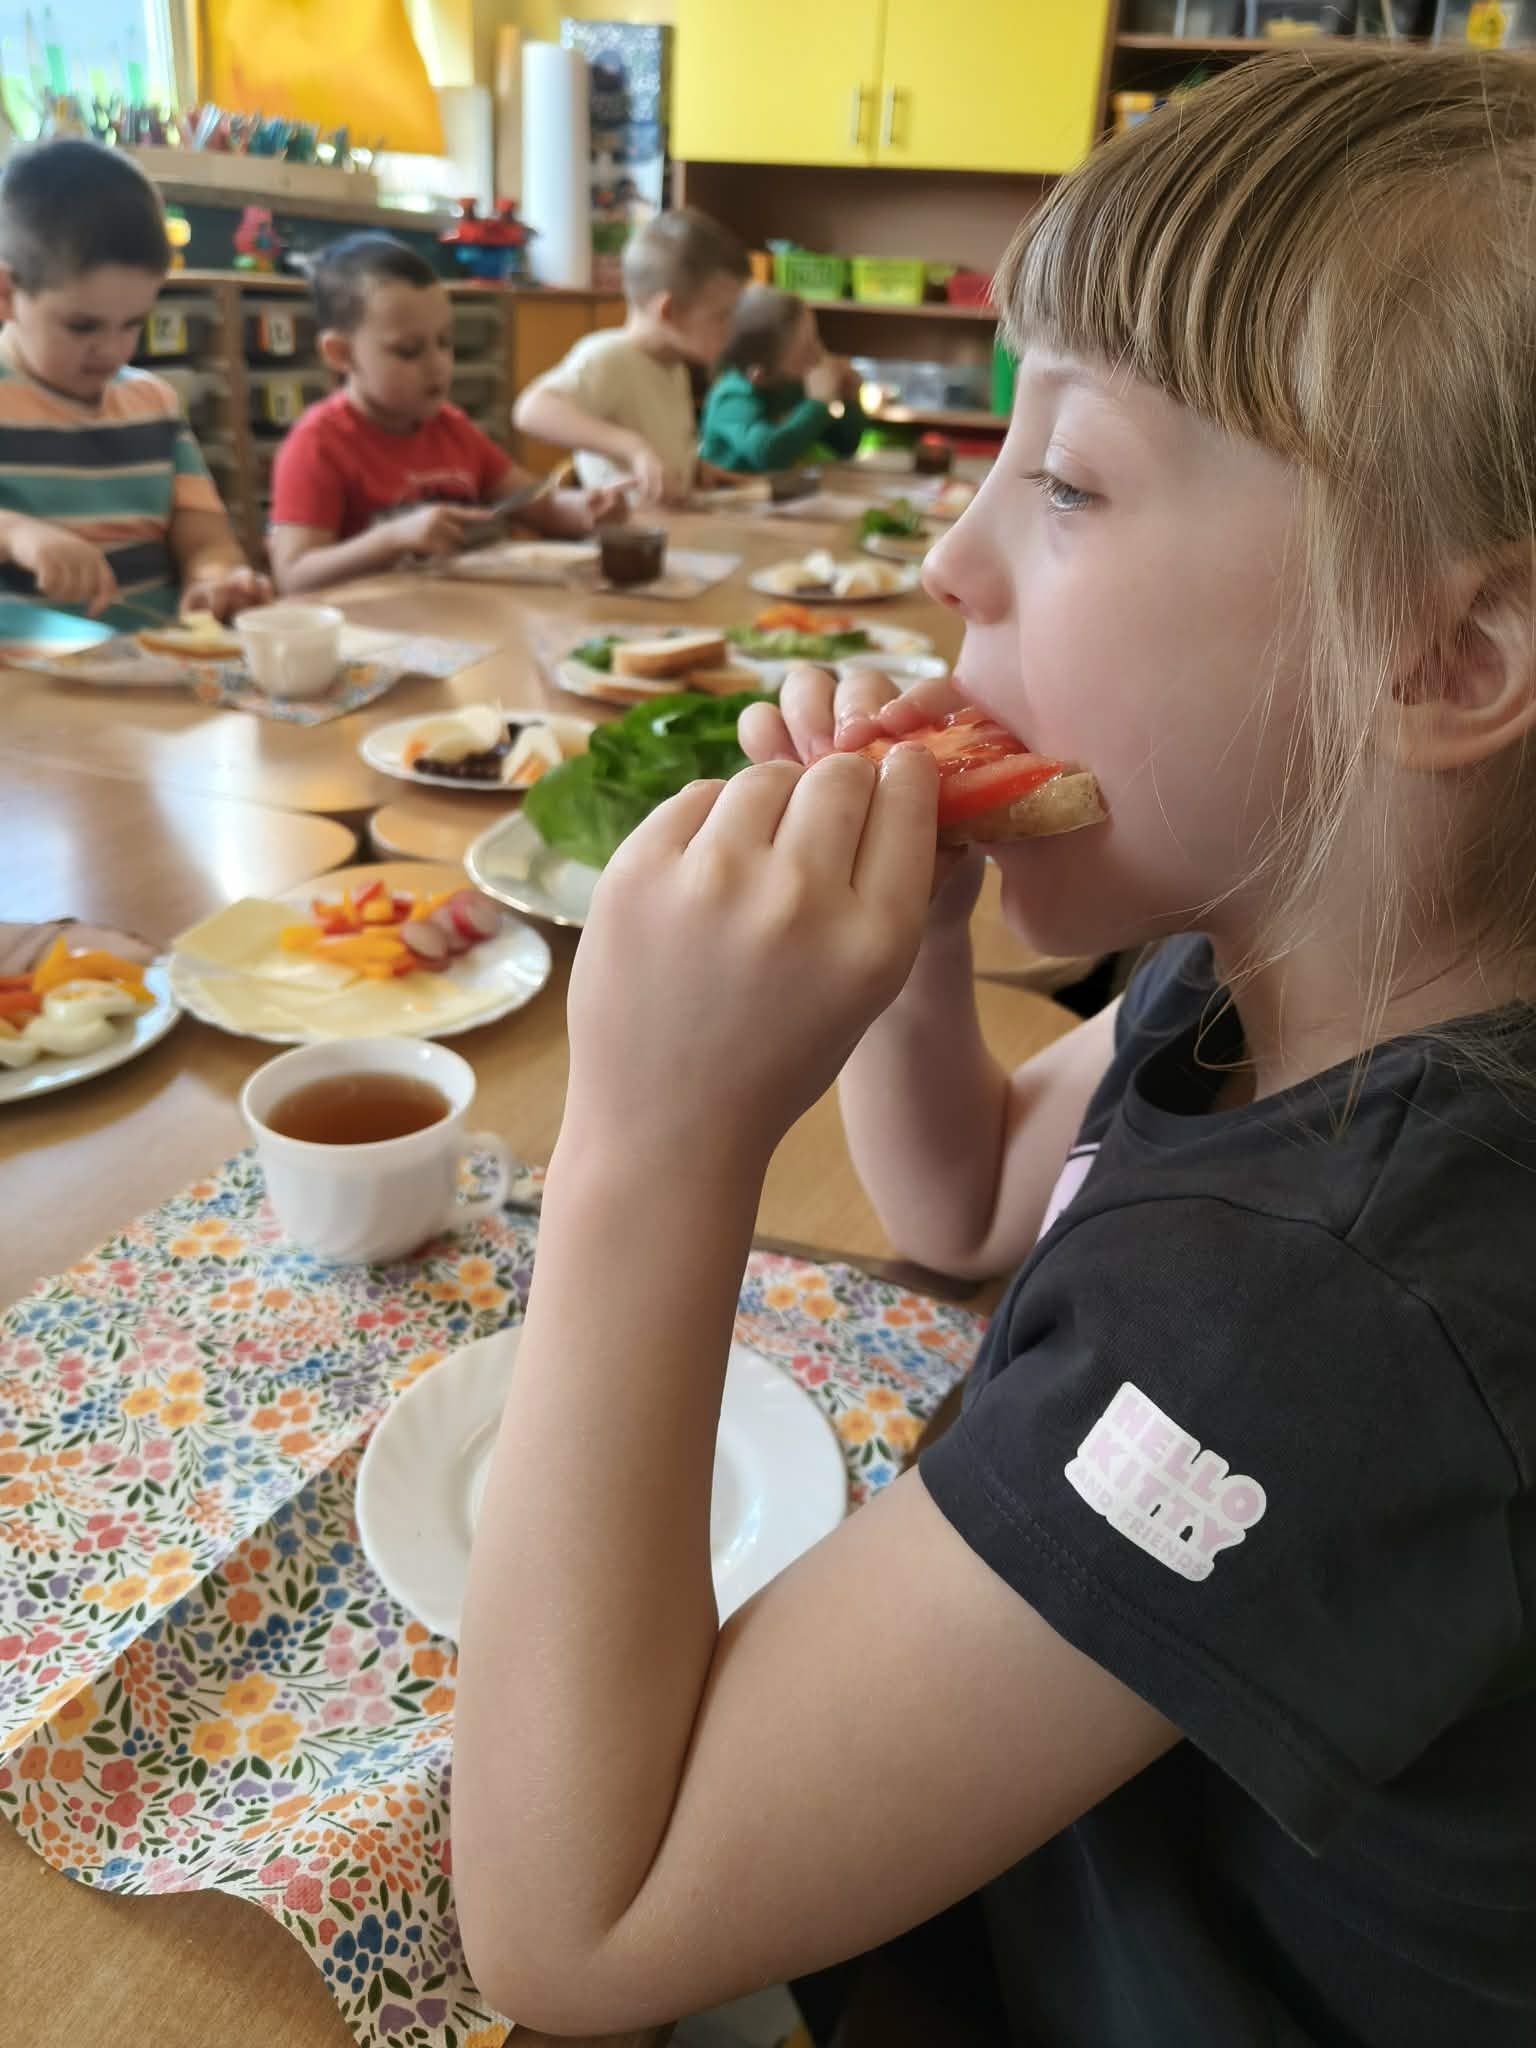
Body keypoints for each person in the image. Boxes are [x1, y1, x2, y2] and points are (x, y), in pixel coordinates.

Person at [451, 47, 1536, 2048]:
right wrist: (918, 954)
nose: (950, 560)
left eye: (1070, 479)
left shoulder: (1337, 1300)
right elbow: (960, 1201)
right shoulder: (1268, 968)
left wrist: (650, 1138)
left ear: (1446, 655)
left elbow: (572, 1921)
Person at [0, 139, 269, 629]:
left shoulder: (153, 404)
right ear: (6, 294)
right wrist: (15, 533)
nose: (113, 350)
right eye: (83, 326)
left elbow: (206, 540)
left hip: (155, 656)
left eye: (133, 324)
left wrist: (214, 578)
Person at [268, 233, 625, 595]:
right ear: (341, 354)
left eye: (445, 342)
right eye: (409, 350)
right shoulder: (319, 443)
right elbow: (294, 577)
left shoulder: (451, 428)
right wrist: (392, 539)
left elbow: (542, 509)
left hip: (458, 618)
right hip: (369, 626)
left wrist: (587, 508)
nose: (437, 364)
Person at [512, 208, 748, 505]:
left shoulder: (673, 365)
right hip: (625, 531)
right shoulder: (610, 356)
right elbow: (532, 410)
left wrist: (693, 469)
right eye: (723, 316)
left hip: (671, 525)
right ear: (668, 312)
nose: (734, 328)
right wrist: (634, 448)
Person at [699, 285, 866, 473]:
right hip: (729, 491)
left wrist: (850, 399)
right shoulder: (732, 398)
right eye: (805, 352)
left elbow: (845, 445)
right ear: (759, 375)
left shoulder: (796, 385)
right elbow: (769, 455)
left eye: (816, 340)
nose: (819, 355)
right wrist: (818, 404)